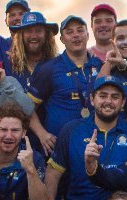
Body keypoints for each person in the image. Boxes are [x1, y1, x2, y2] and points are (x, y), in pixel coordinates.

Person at [44, 76, 127, 200]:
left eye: (115, 97)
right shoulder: (72, 130)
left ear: (123, 102)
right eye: (103, 96)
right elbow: (54, 171)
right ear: (92, 99)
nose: (108, 101)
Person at [29, 15, 104, 151]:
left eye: (80, 30)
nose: (76, 35)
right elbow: (26, 107)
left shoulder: (101, 67)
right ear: (62, 39)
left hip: (95, 145)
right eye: (69, 32)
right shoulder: (48, 68)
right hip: (60, 148)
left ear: (88, 35)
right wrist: (42, 134)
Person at [5, 11, 60, 95]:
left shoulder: (57, 65)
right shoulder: (9, 65)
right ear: (21, 36)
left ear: (46, 35)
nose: (33, 36)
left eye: (38, 31)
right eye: (28, 31)